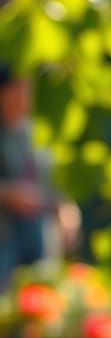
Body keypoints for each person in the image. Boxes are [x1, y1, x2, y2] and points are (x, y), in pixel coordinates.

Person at [0, 66, 79, 287]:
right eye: (17, 88)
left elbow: (53, 183)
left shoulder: (37, 133)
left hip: (39, 239)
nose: (23, 95)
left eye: (27, 88)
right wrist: (8, 194)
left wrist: (65, 208)